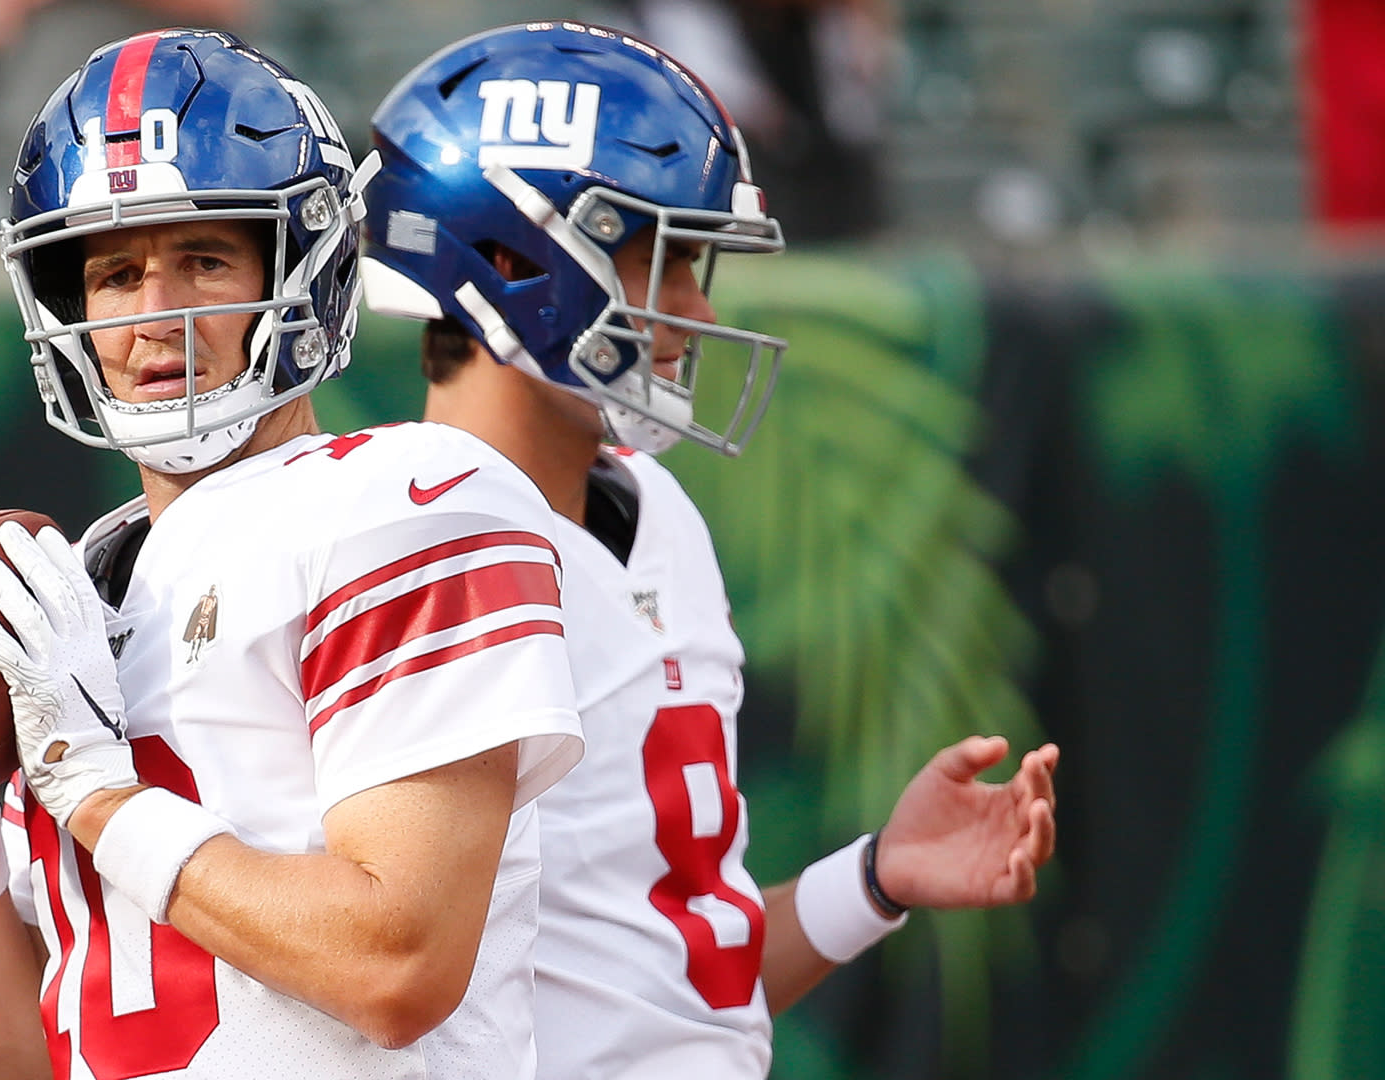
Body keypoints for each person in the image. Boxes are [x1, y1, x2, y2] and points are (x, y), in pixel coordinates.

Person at [0, 28, 584, 1079]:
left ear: (303, 271)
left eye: (203, 259)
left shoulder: (399, 501)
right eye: (115, 272)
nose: (155, 317)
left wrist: (96, 794)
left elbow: (398, 965)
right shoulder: (64, 593)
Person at [358, 21, 1059, 1078]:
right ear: (512, 261)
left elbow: (683, 986)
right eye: (666, 264)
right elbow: (373, 977)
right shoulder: (405, 535)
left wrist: (875, 880)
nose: (696, 311)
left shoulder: (656, 511)